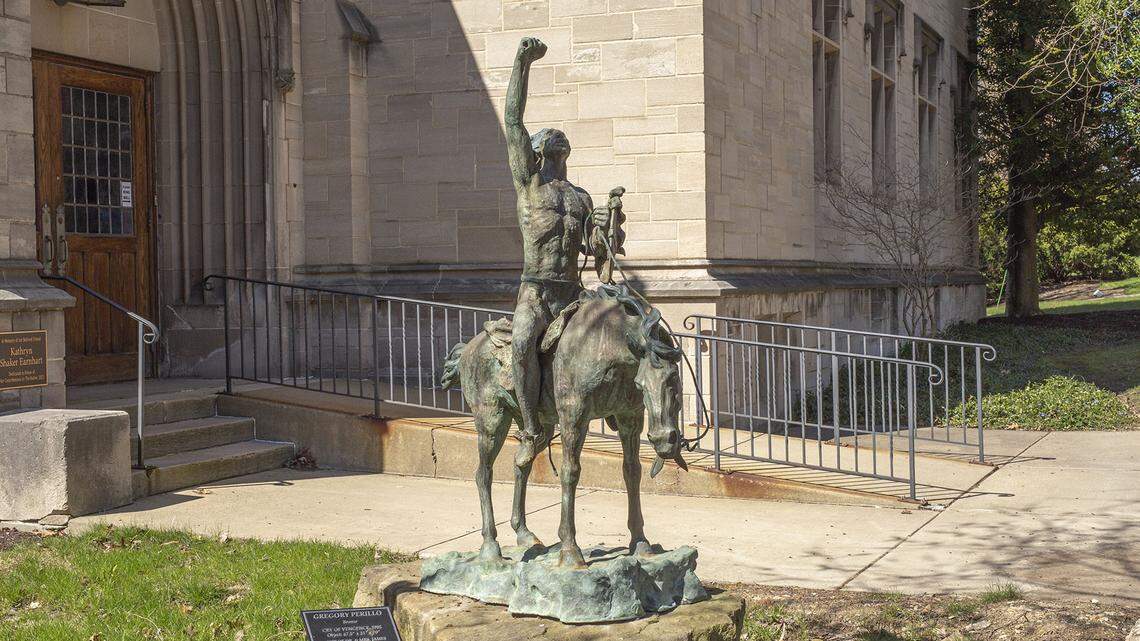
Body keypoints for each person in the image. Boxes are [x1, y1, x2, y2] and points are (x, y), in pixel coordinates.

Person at [505, 37, 615, 441]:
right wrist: (522, 62)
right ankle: (531, 425)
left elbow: (601, 258)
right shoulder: (528, 185)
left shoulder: (580, 197)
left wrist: (607, 226)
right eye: (547, 140)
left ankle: (620, 407)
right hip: (536, 293)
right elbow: (512, 121)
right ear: (536, 152)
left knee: (622, 335)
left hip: (573, 293)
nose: (554, 140)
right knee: (520, 345)